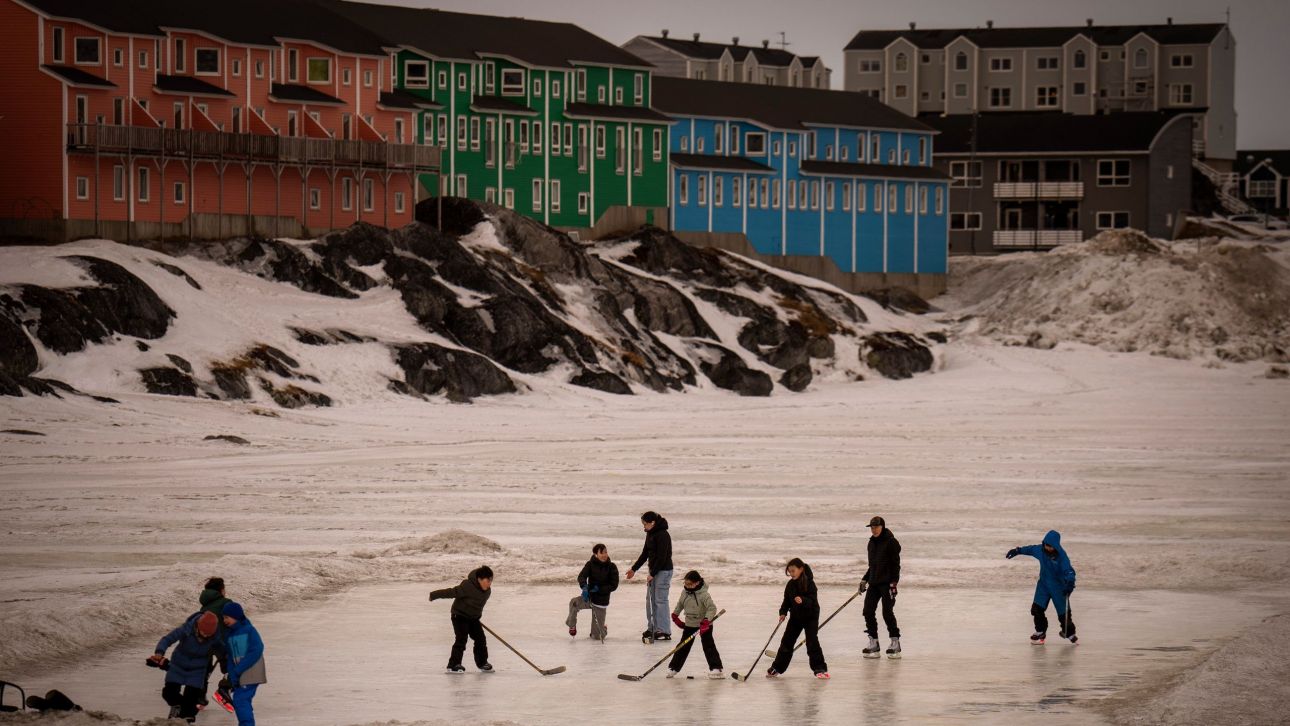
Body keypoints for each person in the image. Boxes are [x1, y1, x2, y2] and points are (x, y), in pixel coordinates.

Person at [150, 610, 225, 723]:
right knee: (168, 693)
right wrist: (159, 653)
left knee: (191, 702)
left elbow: (223, 653)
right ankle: (179, 707)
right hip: (178, 665)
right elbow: (168, 639)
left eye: (209, 635)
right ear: (198, 626)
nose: (205, 636)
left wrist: (229, 662)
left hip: (197, 670)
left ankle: (185, 718)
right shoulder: (186, 629)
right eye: (204, 632)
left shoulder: (215, 638)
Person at [1006, 530, 1077, 644]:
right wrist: (1017, 550)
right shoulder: (1040, 550)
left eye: (1050, 546)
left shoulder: (1062, 557)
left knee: (1063, 613)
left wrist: (1070, 583)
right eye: (1046, 545)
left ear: (1056, 546)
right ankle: (1040, 631)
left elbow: (1068, 571)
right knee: (1036, 609)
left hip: (1059, 588)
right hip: (1043, 585)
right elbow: (1030, 549)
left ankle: (1069, 633)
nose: (1047, 548)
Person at [767, 558, 829, 679]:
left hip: (811, 616)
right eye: (789, 571)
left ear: (801, 569)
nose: (791, 573)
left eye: (793, 571)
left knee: (812, 642)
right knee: (786, 642)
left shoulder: (810, 583)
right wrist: (783, 612)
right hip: (796, 617)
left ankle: (820, 668)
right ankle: (777, 668)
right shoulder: (790, 585)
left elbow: (812, 600)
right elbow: (786, 601)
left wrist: (803, 600)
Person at [429, 566, 494, 673]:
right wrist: (434, 595)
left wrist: (476, 617)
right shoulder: (467, 586)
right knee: (461, 639)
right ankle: (453, 665)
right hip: (459, 616)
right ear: (479, 579)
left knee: (480, 639)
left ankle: (482, 663)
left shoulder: (487, 591)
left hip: (473, 618)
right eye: (487, 580)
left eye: (491, 580)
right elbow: (451, 592)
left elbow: (477, 606)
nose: (489, 583)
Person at [625, 511, 673, 642]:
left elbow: (662, 557)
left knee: (660, 600)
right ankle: (652, 627)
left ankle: (664, 630)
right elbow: (645, 553)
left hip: (663, 571)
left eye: (645, 524)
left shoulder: (663, 535)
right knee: (650, 600)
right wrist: (634, 569)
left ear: (653, 523)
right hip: (654, 571)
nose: (643, 527)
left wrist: (653, 573)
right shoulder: (650, 534)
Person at [666, 570, 723, 679]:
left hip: (704, 624)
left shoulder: (704, 594)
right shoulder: (685, 592)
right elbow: (680, 603)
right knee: (683, 646)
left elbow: (712, 608)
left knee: (708, 646)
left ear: (697, 583)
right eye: (686, 584)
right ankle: (674, 667)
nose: (687, 586)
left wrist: (706, 621)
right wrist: (675, 615)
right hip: (690, 623)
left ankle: (717, 669)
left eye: (690, 584)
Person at [859, 515, 902, 659]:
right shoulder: (871, 544)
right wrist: (864, 580)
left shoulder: (891, 542)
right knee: (867, 611)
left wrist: (894, 583)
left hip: (887, 583)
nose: (874, 529)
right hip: (874, 583)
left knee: (887, 612)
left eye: (876, 527)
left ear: (882, 527)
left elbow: (896, 565)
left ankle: (895, 642)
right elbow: (872, 566)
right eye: (872, 527)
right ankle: (874, 642)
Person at [220, 602, 265, 726]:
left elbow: (257, 649)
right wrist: (231, 676)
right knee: (243, 700)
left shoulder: (249, 630)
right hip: (240, 674)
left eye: (226, 617)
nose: (224, 620)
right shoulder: (230, 635)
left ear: (236, 616)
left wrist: (238, 670)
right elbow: (230, 657)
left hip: (252, 672)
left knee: (240, 700)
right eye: (223, 618)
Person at [566, 543, 619, 640]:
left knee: (597, 637)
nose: (604, 555)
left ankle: (603, 628)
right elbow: (581, 576)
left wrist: (599, 589)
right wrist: (584, 587)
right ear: (595, 554)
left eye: (606, 552)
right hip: (589, 598)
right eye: (602, 553)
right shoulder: (590, 564)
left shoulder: (612, 567)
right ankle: (572, 625)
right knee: (574, 602)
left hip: (601, 601)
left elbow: (614, 585)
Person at [198, 577, 230, 708]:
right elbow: (234, 621)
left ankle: (200, 699)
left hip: (203, 640)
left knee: (204, 670)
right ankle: (224, 690)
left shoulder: (204, 605)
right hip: (221, 641)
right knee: (231, 667)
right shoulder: (226, 603)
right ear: (221, 590)